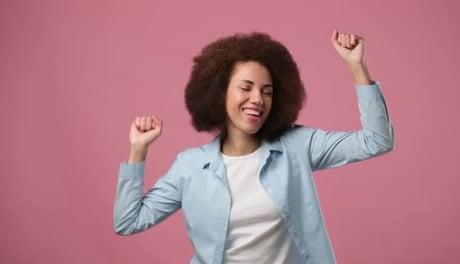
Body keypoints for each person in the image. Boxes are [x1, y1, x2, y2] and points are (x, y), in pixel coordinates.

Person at [114, 30, 394, 264]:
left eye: (267, 91)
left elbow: (377, 141)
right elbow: (128, 222)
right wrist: (138, 151)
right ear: (219, 93)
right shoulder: (189, 166)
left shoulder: (297, 146)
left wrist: (357, 67)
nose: (257, 99)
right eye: (245, 88)